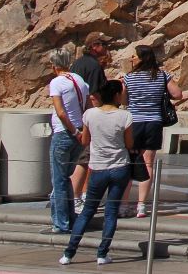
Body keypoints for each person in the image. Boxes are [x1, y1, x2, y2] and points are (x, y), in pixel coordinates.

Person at [60, 79, 135, 265]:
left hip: (98, 167)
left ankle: (69, 253)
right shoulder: (125, 116)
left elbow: (85, 141)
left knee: (87, 211)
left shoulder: (90, 114)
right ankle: (102, 254)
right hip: (119, 166)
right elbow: (129, 144)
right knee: (111, 212)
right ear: (116, 95)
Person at [122, 45, 185, 219]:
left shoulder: (129, 78)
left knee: (130, 162)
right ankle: (142, 205)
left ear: (142, 58)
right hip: (154, 122)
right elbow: (178, 94)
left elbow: (124, 100)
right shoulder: (162, 75)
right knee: (148, 163)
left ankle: (124, 203)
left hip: (134, 122)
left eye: (134, 56)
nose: (132, 59)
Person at [46, 49, 91, 234]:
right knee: (67, 177)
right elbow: (88, 108)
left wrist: (73, 131)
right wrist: (82, 132)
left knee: (59, 179)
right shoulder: (80, 80)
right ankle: (70, 218)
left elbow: (61, 112)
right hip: (78, 132)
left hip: (64, 133)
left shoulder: (57, 82)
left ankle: (60, 223)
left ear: (54, 65)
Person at [70, 33, 113, 209]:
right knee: (87, 158)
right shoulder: (94, 66)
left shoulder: (77, 63)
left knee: (80, 158)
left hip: (77, 115)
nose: (106, 48)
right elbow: (94, 95)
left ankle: (77, 194)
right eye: (104, 44)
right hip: (90, 117)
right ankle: (81, 194)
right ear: (95, 46)